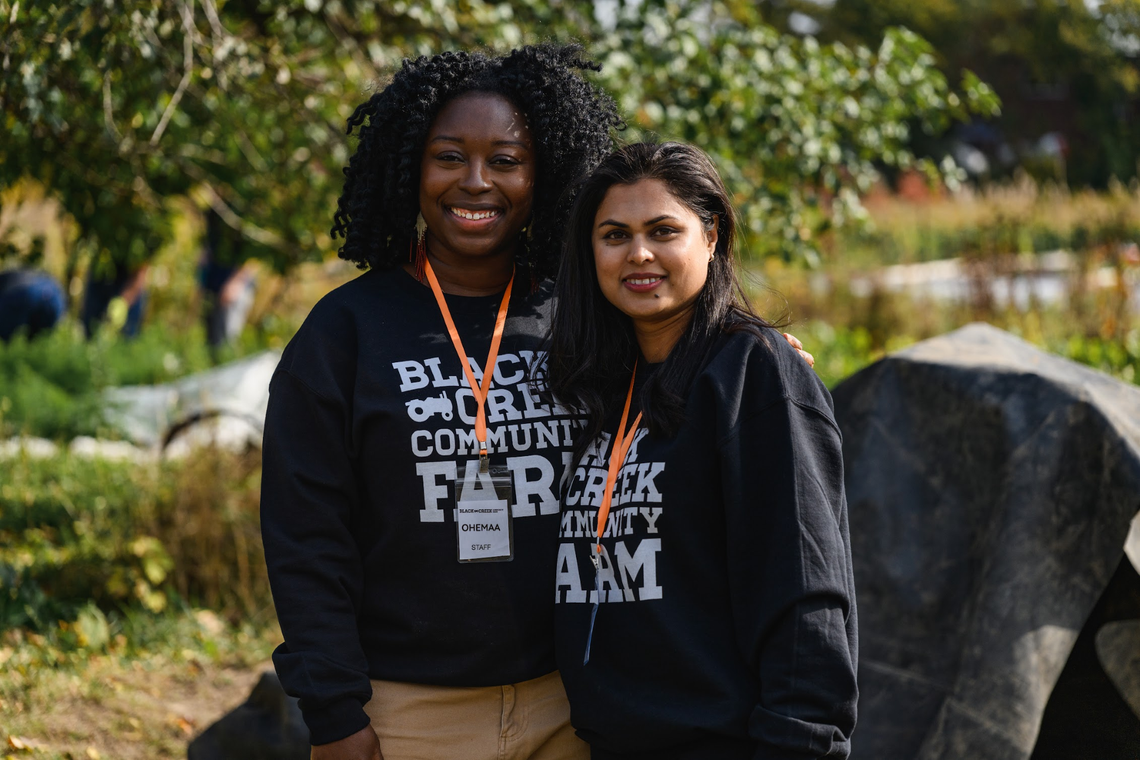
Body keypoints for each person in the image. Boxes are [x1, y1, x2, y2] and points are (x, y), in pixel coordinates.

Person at [260, 45, 622, 760]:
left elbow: (681, 390)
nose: (476, 182)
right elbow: (305, 536)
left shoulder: (585, 318)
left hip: (576, 703)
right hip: (409, 711)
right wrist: (334, 711)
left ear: (545, 174)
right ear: (409, 168)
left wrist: (755, 353)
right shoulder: (345, 332)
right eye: (449, 156)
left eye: (507, 160)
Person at [545, 142, 858, 759]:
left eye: (663, 231)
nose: (639, 253)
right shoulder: (605, 387)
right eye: (615, 235)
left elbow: (805, 592)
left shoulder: (753, 375)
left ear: (712, 236)